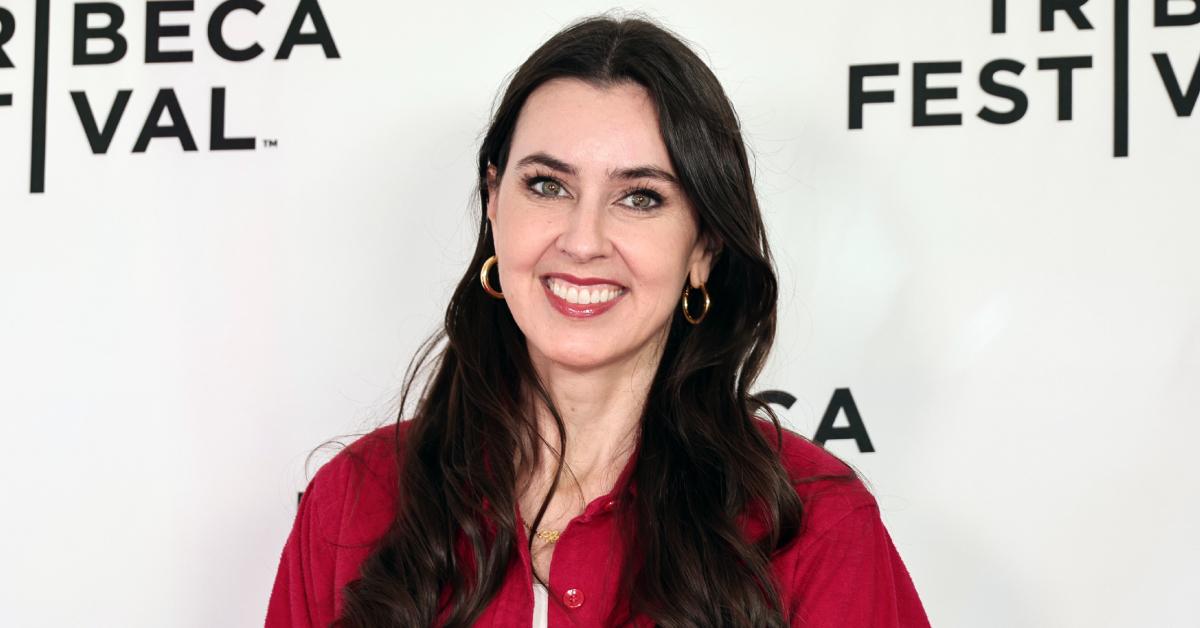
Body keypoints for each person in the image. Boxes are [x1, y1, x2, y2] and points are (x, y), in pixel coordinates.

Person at [266, 13, 930, 628]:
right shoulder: (354, 499)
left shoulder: (815, 523)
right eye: (547, 185)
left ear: (704, 248)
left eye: (640, 197)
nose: (583, 240)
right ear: (493, 201)